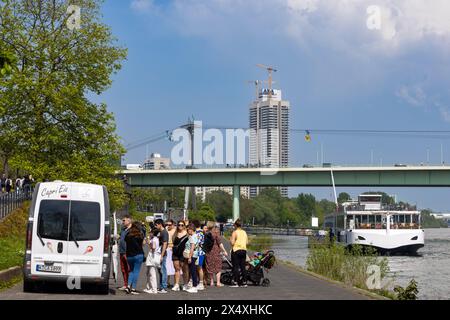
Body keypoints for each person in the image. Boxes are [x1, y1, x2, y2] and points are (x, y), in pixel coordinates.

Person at [205, 221, 228, 287]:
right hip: (216, 252)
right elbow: (220, 243)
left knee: (210, 266)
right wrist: (224, 251)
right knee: (218, 267)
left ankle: (212, 282)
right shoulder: (216, 234)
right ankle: (218, 282)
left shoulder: (206, 234)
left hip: (208, 252)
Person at [124, 222, 145, 295]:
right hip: (138, 255)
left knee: (131, 271)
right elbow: (142, 245)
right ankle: (133, 288)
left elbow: (125, 241)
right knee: (136, 271)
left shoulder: (128, 235)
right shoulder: (140, 235)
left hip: (129, 255)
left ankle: (128, 286)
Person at [229, 219, 248, 288]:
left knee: (235, 266)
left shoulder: (235, 232)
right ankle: (244, 282)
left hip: (236, 250)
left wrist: (230, 239)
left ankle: (236, 282)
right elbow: (247, 242)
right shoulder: (244, 232)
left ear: (236, 225)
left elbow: (232, 243)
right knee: (243, 267)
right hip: (243, 250)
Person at [172, 220, 189, 291]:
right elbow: (173, 243)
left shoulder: (187, 234)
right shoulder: (175, 234)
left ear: (184, 226)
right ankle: (176, 284)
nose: (180, 226)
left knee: (185, 270)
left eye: (182, 225)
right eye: (179, 225)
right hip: (175, 253)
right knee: (176, 269)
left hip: (183, 254)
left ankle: (185, 284)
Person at [184, 223, 200, 293]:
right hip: (194, 255)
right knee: (193, 270)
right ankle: (194, 285)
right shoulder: (194, 235)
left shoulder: (193, 237)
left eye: (188, 230)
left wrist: (190, 257)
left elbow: (192, 248)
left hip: (192, 255)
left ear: (191, 229)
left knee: (193, 271)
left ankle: (194, 286)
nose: (188, 231)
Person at [143, 229, 160, 294]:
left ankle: (154, 289)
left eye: (150, 232)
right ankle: (150, 287)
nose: (149, 234)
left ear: (153, 233)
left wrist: (149, 243)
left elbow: (153, 247)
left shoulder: (154, 239)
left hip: (152, 257)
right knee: (149, 273)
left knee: (152, 273)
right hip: (153, 256)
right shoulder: (155, 239)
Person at [154, 219, 169, 293]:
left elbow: (165, 244)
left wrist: (162, 256)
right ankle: (161, 286)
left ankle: (164, 287)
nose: (155, 226)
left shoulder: (164, 232)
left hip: (162, 254)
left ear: (160, 224)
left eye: (156, 224)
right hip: (158, 253)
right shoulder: (160, 232)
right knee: (160, 271)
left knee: (163, 270)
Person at [118, 215, 132, 291]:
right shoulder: (123, 229)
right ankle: (125, 284)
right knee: (123, 269)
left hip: (128, 252)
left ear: (129, 221)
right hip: (121, 251)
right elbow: (120, 236)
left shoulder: (132, 230)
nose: (123, 222)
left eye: (124, 220)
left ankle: (130, 285)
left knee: (129, 269)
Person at [192, 220, 206, 291]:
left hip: (199, 252)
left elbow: (198, 243)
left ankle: (201, 283)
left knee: (199, 268)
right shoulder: (200, 232)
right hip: (198, 252)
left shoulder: (199, 233)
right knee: (197, 268)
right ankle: (199, 282)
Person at [165, 219, 176, 288]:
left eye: (170, 225)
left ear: (173, 224)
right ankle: (167, 281)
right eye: (167, 224)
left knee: (174, 266)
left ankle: (175, 282)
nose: (168, 226)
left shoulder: (175, 230)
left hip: (172, 249)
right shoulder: (166, 230)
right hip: (166, 249)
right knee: (167, 266)